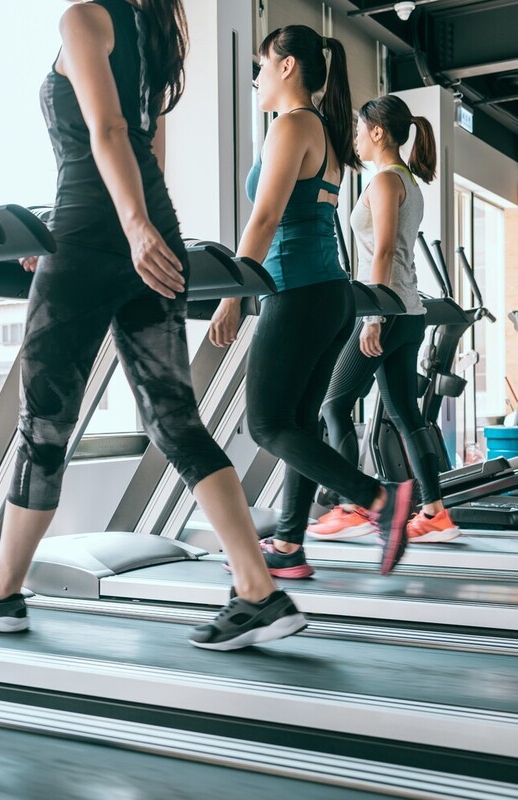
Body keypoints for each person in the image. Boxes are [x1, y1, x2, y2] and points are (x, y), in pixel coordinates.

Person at [0, 0, 307, 651]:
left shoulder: (83, 18)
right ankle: (259, 589)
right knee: (175, 418)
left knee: (45, 418)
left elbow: (106, 132)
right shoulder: (158, 32)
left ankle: (0, 590)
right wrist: (143, 229)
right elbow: (144, 151)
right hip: (146, 228)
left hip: (91, 234)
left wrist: (117, 228)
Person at [208, 25, 415, 579]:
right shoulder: (322, 131)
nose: (254, 77)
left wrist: (234, 294)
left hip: (295, 291)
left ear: (287, 66)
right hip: (331, 295)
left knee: (268, 424)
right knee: (299, 423)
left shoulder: (292, 125)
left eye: (260, 64)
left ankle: (377, 499)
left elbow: (266, 217)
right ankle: (290, 546)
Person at [311, 96, 459, 544]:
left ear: (377, 132)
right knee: (404, 412)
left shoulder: (383, 183)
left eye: (359, 130)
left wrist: (373, 315)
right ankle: (434, 512)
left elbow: (382, 250)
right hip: (410, 312)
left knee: (334, 404)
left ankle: (350, 505)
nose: (355, 139)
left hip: (386, 310)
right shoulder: (408, 182)